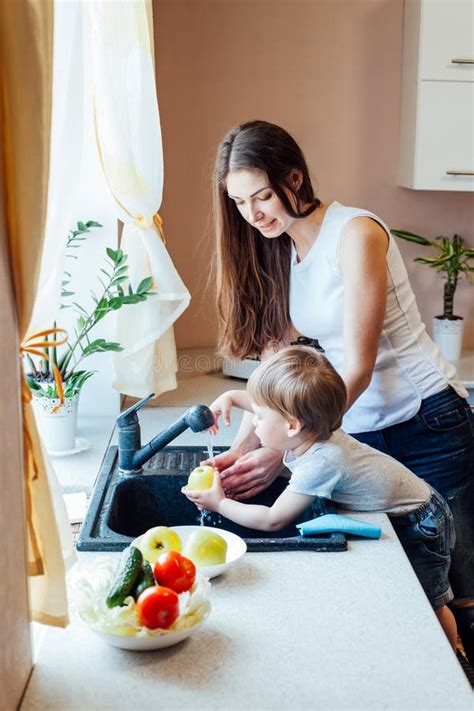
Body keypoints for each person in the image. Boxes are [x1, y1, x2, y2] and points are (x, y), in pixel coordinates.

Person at [202, 120, 474, 660]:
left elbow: (361, 365)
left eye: (262, 195)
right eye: (239, 202)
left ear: (294, 180)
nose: (254, 214)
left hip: (429, 423)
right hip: (360, 433)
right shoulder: (284, 252)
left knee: (459, 592)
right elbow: (279, 383)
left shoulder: (356, 233)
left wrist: (283, 449)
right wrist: (240, 452)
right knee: (405, 592)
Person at [185, 346, 457, 648]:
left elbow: (273, 520)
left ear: (292, 425)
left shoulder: (321, 461)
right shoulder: (311, 428)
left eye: (259, 417)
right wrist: (230, 398)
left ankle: (450, 663)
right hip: (411, 508)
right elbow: (263, 404)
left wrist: (218, 503)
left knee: (429, 603)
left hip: (419, 522)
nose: (254, 422)